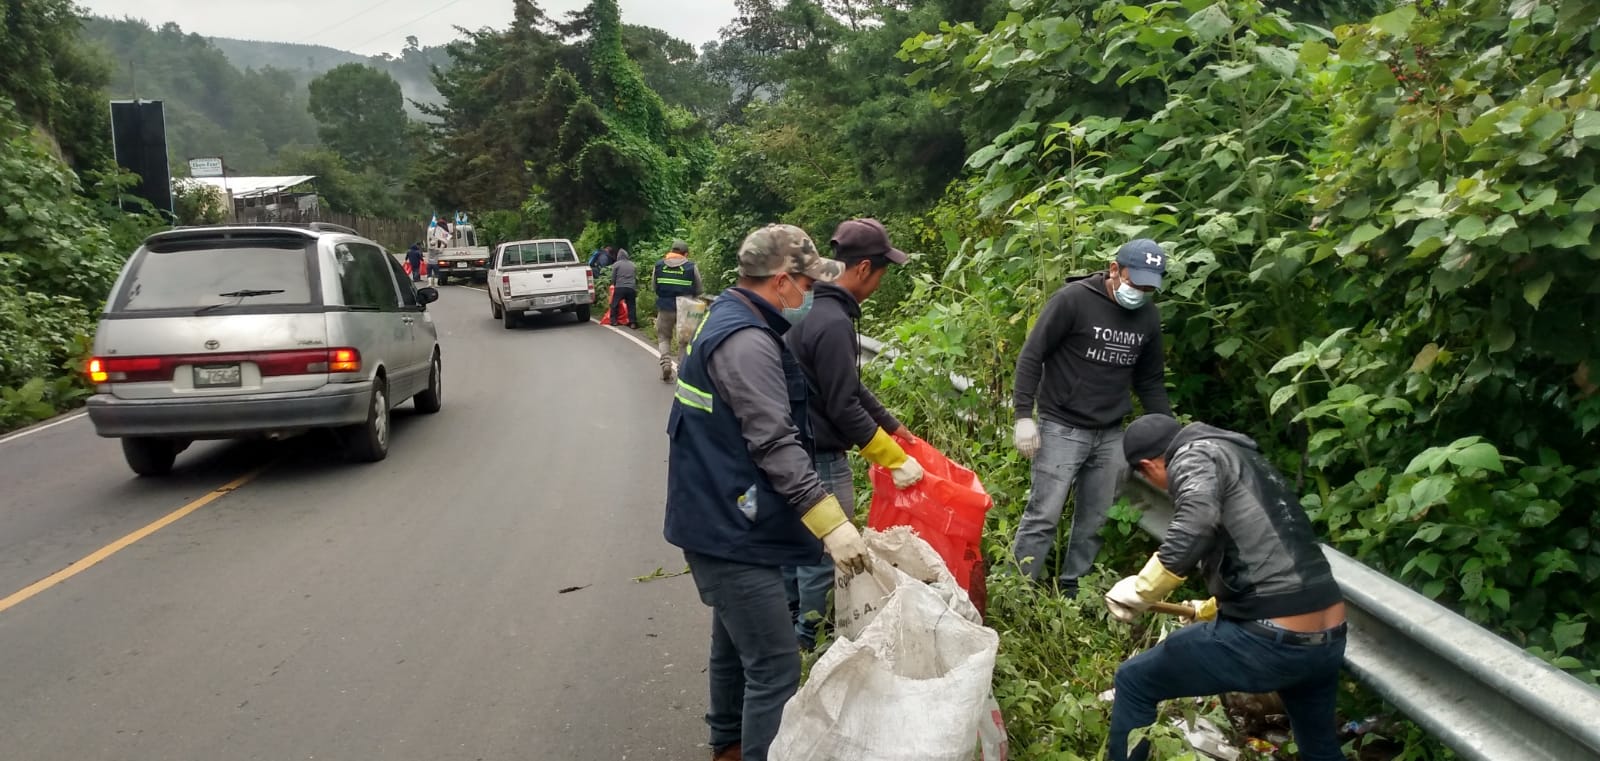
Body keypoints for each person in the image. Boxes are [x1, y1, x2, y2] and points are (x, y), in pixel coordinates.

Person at [663, 223, 855, 761]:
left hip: (718, 512)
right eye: (808, 283)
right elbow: (775, 443)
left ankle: (727, 743)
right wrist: (831, 523)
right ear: (781, 280)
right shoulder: (747, 342)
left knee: (732, 641)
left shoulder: (729, 316)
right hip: (727, 521)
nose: (812, 294)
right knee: (773, 661)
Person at [1104, 414, 1347, 761]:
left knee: (1134, 681)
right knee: (1319, 747)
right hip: (1328, 638)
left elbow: (1197, 521)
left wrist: (1143, 590)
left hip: (1271, 641)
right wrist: (1216, 606)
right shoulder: (1241, 456)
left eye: (1145, 476)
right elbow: (1265, 549)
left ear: (1148, 465)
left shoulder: (1191, 456)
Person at [781, 217, 920, 650]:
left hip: (793, 449)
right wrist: (894, 460)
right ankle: (809, 639)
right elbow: (842, 405)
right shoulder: (834, 323)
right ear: (863, 269)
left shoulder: (807, 307)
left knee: (794, 544)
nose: (878, 282)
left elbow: (846, 385)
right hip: (820, 455)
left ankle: (789, 622)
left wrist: (894, 428)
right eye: (881, 273)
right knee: (827, 551)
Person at [1010, 238, 1174, 597]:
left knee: (1096, 520)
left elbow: (1149, 381)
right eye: (1135, 283)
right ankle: (1017, 590)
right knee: (1043, 517)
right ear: (1115, 270)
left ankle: (1073, 591)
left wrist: (1170, 436)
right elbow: (1032, 354)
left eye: (1149, 287)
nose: (1141, 292)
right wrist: (1024, 415)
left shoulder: (1147, 316)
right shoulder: (1073, 301)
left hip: (1111, 434)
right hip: (1061, 427)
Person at [654, 239, 704, 382]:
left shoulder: (659, 265)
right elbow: (699, 289)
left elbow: (655, 287)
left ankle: (666, 364)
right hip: (686, 308)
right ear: (685, 253)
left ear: (671, 252)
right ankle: (682, 370)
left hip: (665, 306)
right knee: (684, 340)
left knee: (664, 336)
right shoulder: (691, 266)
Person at [609, 248, 639, 329]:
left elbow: (613, 277)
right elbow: (636, 277)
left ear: (619, 256)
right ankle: (633, 322)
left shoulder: (616, 264)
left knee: (614, 304)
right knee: (631, 305)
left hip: (620, 287)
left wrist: (614, 284)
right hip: (631, 288)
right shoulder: (633, 265)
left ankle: (614, 321)